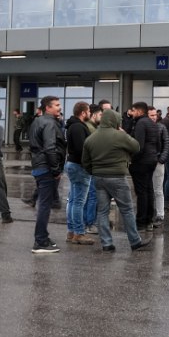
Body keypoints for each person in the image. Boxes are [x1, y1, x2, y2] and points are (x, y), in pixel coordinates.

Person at [82, 108, 150, 251]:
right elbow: (136, 147)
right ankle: (135, 241)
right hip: (117, 177)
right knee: (127, 210)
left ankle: (106, 244)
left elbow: (85, 162)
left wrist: (94, 171)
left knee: (102, 211)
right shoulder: (119, 136)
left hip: (99, 178)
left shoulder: (91, 138)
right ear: (115, 121)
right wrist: (124, 133)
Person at [28, 96, 65, 254]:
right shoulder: (49, 123)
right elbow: (50, 147)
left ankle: (43, 237)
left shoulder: (38, 121)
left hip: (39, 165)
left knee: (44, 204)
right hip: (46, 168)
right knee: (44, 205)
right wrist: (56, 169)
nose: (59, 107)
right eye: (56, 105)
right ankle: (40, 241)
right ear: (47, 108)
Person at [64, 102, 95, 245]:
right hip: (79, 166)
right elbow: (81, 149)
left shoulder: (73, 125)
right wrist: (88, 164)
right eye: (88, 111)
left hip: (74, 165)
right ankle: (78, 233)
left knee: (73, 200)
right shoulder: (78, 127)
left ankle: (72, 231)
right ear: (83, 113)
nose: (90, 113)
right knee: (78, 202)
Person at [129, 102, 159, 231]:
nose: (132, 113)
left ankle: (141, 222)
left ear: (140, 111)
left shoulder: (141, 123)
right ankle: (149, 220)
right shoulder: (152, 123)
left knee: (142, 192)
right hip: (152, 159)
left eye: (133, 110)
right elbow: (158, 143)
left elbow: (138, 146)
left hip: (141, 162)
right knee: (148, 190)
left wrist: (132, 159)